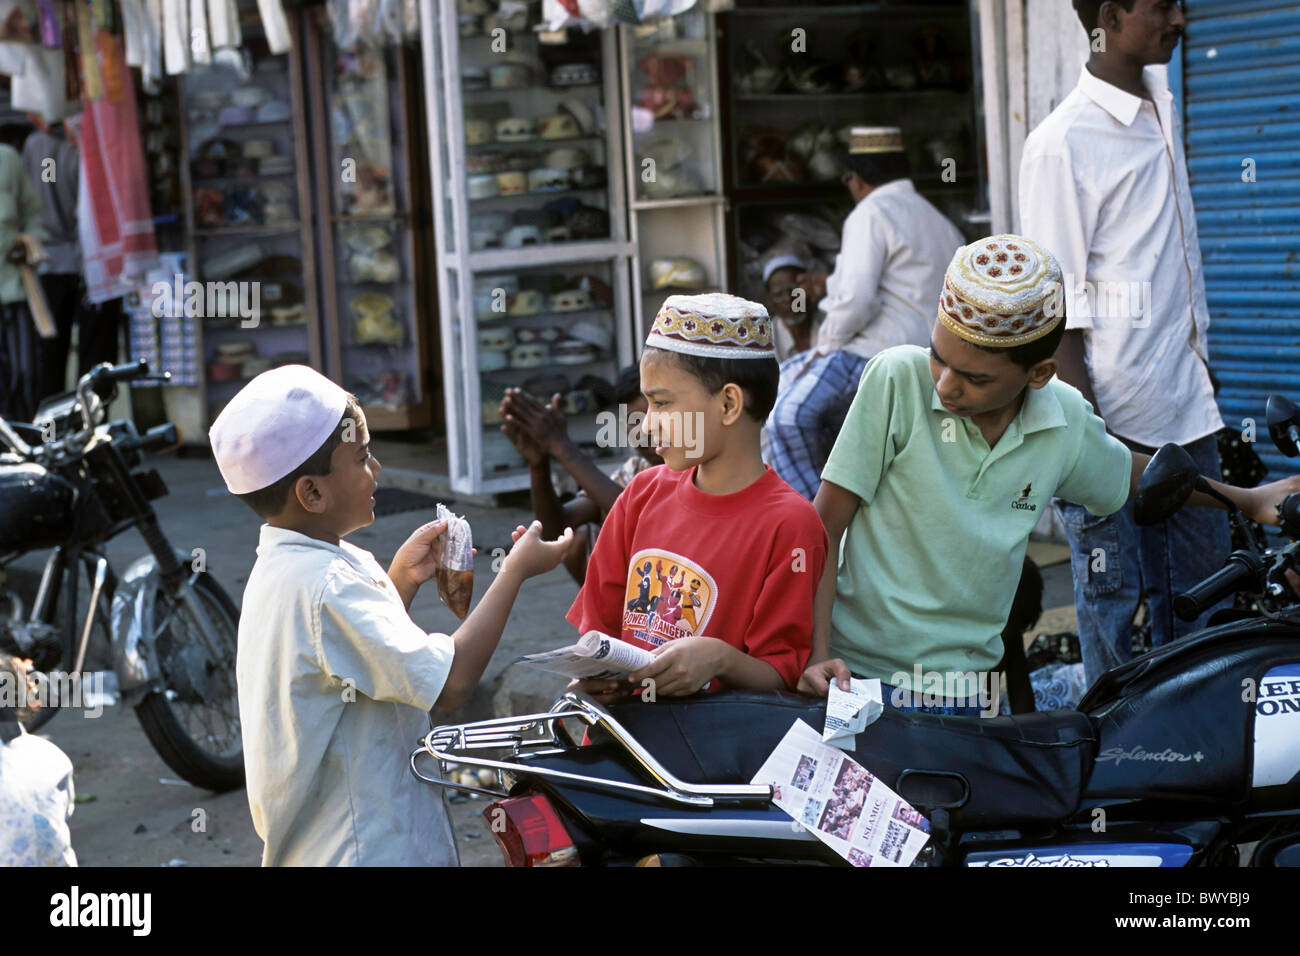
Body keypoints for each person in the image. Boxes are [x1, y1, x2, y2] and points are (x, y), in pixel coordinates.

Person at [797, 235, 1300, 713]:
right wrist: (818, 652)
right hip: (857, 674)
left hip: (966, 689)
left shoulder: (1061, 419)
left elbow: (1132, 473)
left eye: (975, 378)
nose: (946, 387)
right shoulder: (896, 380)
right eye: (938, 357)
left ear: (1038, 374)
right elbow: (823, 527)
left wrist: (1250, 499)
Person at [209, 365, 574, 866]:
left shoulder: (292, 568)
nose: (376, 469)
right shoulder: (326, 586)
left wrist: (399, 581)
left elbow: (352, 661)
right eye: (362, 458)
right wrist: (514, 572)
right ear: (312, 494)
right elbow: (451, 684)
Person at [1018, 0, 1230, 687]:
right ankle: (1120, 765)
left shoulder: (1160, 109)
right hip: (1113, 428)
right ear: (1111, 13)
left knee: (1204, 609)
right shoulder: (1063, 143)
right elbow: (1058, 310)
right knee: (1119, 621)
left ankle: (1201, 761)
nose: (1181, 20)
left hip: (1187, 413)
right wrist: (1094, 444)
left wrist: (1201, 369)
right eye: (1162, 6)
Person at [567, 293, 828, 698]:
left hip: (710, 751)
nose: (647, 426)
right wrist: (596, 679)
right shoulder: (640, 494)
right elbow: (597, 631)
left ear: (728, 403)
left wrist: (721, 658)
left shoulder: (791, 524)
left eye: (661, 403)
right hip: (620, 741)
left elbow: (781, 673)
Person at [766, 126, 964, 499]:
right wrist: (832, 283)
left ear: (855, 179)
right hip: (932, 355)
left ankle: (813, 519)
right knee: (791, 381)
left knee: (783, 418)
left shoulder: (869, 213)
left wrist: (827, 345)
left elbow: (857, 302)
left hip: (876, 353)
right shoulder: (938, 220)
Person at [500, 364, 662, 585]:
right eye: (635, 422)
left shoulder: (694, 469)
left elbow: (636, 518)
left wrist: (563, 447)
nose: (647, 431)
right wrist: (539, 466)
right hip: (642, 593)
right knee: (580, 538)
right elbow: (555, 531)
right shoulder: (636, 469)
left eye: (656, 416)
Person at [20, 116, 83, 403]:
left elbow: (39, 193)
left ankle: (50, 432)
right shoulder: (74, 146)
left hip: (47, 262)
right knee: (87, 359)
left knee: (49, 357)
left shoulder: (37, 145)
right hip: (77, 260)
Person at [0, 123, 46, 424]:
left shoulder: (7, 159)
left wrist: (29, 243)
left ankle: (26, 437)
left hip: (15, 284)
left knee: (25, 371)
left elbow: (32, 212)